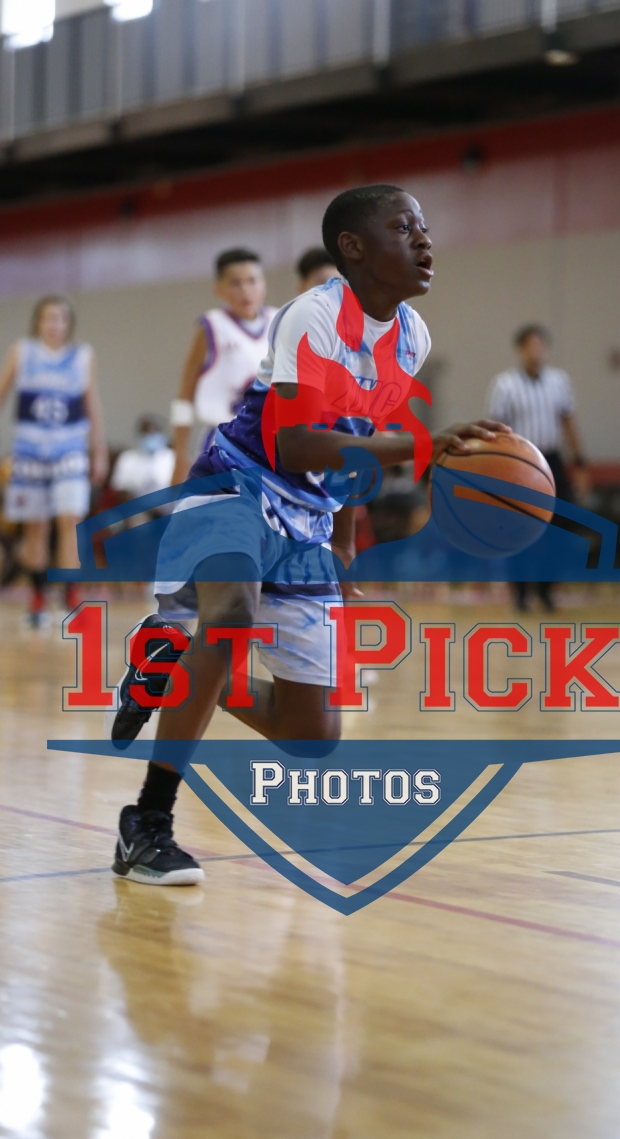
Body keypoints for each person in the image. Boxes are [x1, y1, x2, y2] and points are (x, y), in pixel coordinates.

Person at [109, 183, 508, 886]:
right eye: (404, 227)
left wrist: (345, 544)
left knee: (310, 736)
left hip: (310, 517)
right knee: (230, 617)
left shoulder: (411, 337)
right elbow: (295, 444)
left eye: (423, 226)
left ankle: (167, 661)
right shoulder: (313, 316)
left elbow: (356, 442)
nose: (424, 239)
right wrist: (420, 445)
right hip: (235, 481)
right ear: (353, 248)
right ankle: (147, 821)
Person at [0, 295, 108, 625]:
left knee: (71, 522)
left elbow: (92, 404)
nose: (55, 324)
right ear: (38, 321)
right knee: (35, 526)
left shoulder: (82, 356)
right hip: (30, 451)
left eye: (61, 318)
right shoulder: (22, 352)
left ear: (69, 324)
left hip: (69, 450)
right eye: (49, 318)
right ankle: (37, 598)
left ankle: (71, 596)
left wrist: (99, 450)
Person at [486, 323, 590, 612]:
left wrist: (580, 461)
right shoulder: (505, 385)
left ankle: (546, 591)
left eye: (541, 345)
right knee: (518, 528)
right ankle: (520, 593)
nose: (537, 351)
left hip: (552, 460)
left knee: (560, 528)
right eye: (531, 346)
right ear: (520, 350)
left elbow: (567, 421)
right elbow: (497, 429)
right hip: (520, 462)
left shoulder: (559, 381)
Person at [170, 249, 277, 486]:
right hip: (225, 443)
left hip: (274, 444)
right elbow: (184, 397)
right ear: (218, 289)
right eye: (235, 283)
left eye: (252, 281)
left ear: (264, 284)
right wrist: (180, 455)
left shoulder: (280, 322)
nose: (245, 290)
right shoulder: (210, 327)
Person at [111, 415, 175, 509]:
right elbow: (119, 490)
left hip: (168, 510)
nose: (150, 435)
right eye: (146, 432)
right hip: (137, 510)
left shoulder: (172, 458)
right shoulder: (128, 458)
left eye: (154, 432)